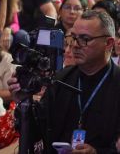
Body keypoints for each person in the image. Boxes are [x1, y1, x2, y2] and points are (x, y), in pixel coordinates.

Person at [10, 10, 120, 153]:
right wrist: (23, 101)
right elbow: (38, 131)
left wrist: (98, 152)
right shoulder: (61, 79)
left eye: (84, 39)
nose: (75, 45)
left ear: (108, 43)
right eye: (73, 38)